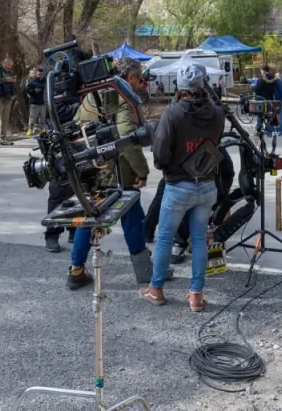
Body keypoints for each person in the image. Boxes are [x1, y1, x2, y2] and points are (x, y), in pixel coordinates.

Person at [65, 59, 170, 289]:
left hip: (91, 170)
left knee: (89, 217)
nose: (141, 84)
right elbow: (127, 139)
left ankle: (76, 270)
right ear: (130, 78)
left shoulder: (93, 95)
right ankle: (144, 271)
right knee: (132, 218)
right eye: (139, 79)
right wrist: (141, 171)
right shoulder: (122, 97)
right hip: (118, 173)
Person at [140, 63, 224, 313]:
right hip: (207, 184)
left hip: (178, 186)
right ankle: (196, 295)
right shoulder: (217, 113)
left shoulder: (173, 113)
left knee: (165, 237)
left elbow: (160, 153)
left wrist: (166, 164)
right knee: (198, 240)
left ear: (179, 86)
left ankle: (156, 290)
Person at [25, 67, 46, 135]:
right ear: (36, 74)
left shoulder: (45, 81)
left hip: (43, 103)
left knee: (42, 118)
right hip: (34, 103)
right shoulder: (32, 82)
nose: (40, 75)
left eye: (41, 74)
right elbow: (27, 90)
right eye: (38, 74)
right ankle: (30, 129)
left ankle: (42, 129)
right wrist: (34, 91)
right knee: (32, 118)